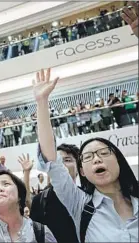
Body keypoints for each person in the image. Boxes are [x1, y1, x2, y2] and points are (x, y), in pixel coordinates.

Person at [33, 68, 138, 242]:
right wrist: (42, 102)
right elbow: (51, 159)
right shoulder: (80, 205)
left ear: (118, 159)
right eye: (88, 157)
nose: (97, 158)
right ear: (82, 171)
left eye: (104, 153)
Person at [30, 144, 80, 243]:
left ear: (78, 167)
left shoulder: (87, 198)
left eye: (67, 160)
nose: (61, 165)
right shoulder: (39, 201)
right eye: (57, 161)